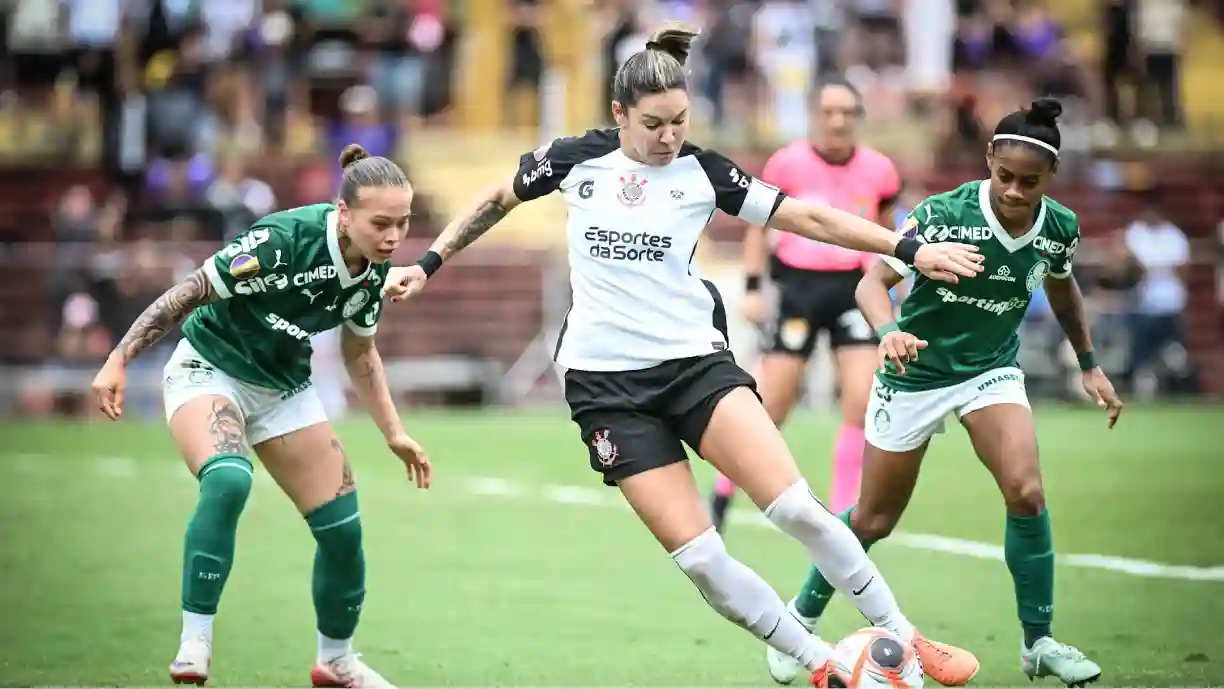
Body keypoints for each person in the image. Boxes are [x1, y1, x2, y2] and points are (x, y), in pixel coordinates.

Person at [382, 23, 982, 688]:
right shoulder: (574, 159)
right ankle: (823, 664)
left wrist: (906, 248)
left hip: (695, 366)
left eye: (679, 121)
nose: (669, 137)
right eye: (654, 124)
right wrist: (429, 262)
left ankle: (905, 635)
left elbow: (806, 218)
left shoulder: (702, 171)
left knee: (797, 508)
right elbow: (498, 198)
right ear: (618, 114)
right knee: (700, 557)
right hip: (606, 388)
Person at [771, 98, 1122, 687]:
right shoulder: (943, 214)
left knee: (1027, 491)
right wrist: (889, 333)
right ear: (988, 160)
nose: (1013, 191)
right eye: (1004, 176)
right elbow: (872, 283)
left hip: (990, 371)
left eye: (1028, 183)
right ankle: (800, 615)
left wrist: (1088, 364)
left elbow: (1063, 291)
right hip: (915, 374)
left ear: (1050, 179)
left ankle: (1039, 642)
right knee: (876, 518)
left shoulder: (1059, 226)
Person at [90, 144, 431, 689]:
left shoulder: (371, 273)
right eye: (381, 223)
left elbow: (360, 353)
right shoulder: (281, 241)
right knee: (228, 479)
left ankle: (336, 661)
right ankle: (195, 639)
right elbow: (193, 290)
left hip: (283, 390)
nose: (394, 237)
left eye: (403, 223)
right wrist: (118, 358)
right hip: (209, 368)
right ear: (344, 213)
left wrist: (395, 432)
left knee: (343, 530)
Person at [708, 77, 901, 536]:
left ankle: (841, 514)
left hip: (853, 290)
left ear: (858, 118)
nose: (837, 121)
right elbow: (758, 227)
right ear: (815, 116)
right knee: (772, 404)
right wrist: (754, 287)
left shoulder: (880, 171)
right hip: (797, 289)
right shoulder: (787, 163)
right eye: (828, 112)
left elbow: (889, 234)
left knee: (860, 400)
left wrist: (895, 294)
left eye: (847, 112)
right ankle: (721, 493)